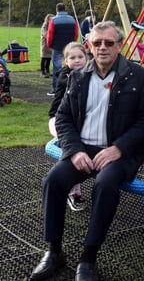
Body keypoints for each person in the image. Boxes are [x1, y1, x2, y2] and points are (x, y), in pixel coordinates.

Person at [29, 21, 144, 281]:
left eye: (109, 43)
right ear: (89, 46)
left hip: (118, 150)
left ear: (120, 46)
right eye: (97, 43)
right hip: (83, 147)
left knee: (106, 184)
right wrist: (74, 151)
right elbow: (62, 117)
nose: (103, 47)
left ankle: (88, 258)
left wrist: (118, 148)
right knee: (53, 180)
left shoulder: (136, 76)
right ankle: (54, 251)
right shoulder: (78, 75)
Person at [47, 42, 89, 212]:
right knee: (72, 150)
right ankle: (72, 192)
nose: (77, 61)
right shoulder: (65, 75)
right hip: (58, 118)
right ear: (65, 61)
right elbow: (74, 81)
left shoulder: (87, 73)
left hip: (75, 119)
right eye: (72, 58)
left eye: (81, 57)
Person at [46, 3, 78, 96]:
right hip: (69, 46)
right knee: (71, 66)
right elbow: (76, 33)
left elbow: (50, 34)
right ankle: (71, 85)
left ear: (57, 10)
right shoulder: (72, 19)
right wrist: (73, 43)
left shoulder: (54, 20)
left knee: (57, 67)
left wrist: (49, 45)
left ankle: (56, 89)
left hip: (57, 46)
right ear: (65, 9)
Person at [40, 14, 54, 78]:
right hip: (45, 44)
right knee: (44, 58)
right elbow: (45, 34)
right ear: (47, 19)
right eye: (50, 19)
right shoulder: (45, 26)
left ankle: (47, 71)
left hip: (50, 44)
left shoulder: (52, 25)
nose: (51, 20)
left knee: (49, 58)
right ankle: (42, 72)